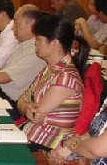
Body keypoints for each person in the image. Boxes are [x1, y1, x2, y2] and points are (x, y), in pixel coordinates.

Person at [51, 33, 107, 164]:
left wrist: (72, 146)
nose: (105, 66)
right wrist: (66, 152)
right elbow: (93, 134)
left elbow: (98, 149)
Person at [17, 14, 88, 151]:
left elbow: (35, 115)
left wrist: (26, 107)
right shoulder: (50, 68)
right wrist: (26, 107)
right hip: (33, 135)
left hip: (49, 144)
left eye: (38, 39)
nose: (35, 43)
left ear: (54, 43)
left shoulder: (66, 77)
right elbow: (21, 100)